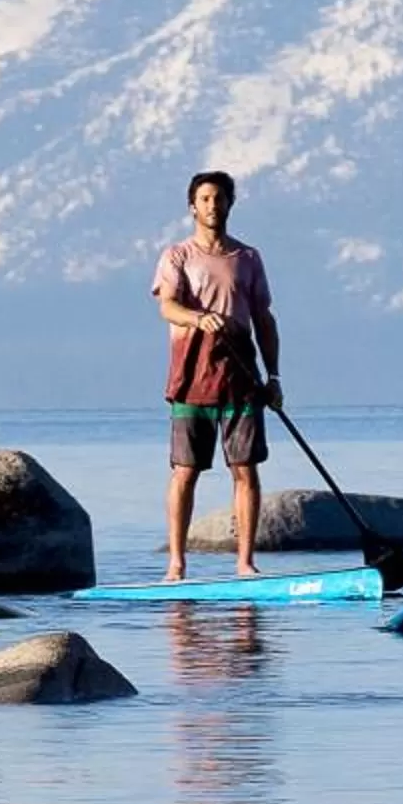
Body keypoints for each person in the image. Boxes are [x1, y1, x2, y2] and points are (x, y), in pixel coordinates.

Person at [151, 170, 280, 582]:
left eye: (219, 198)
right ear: (193, 206)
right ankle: (176, 563)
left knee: (245, 469)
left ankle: (245, 562)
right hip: (191, 377)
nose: (212, 205)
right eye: (205, 199)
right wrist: (198, 318)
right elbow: (167, 307)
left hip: (241, 377)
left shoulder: (248, 258)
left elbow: (263, 318)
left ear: (229, 205)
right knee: (185, 472)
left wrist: (274, 376)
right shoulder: (177, 256)